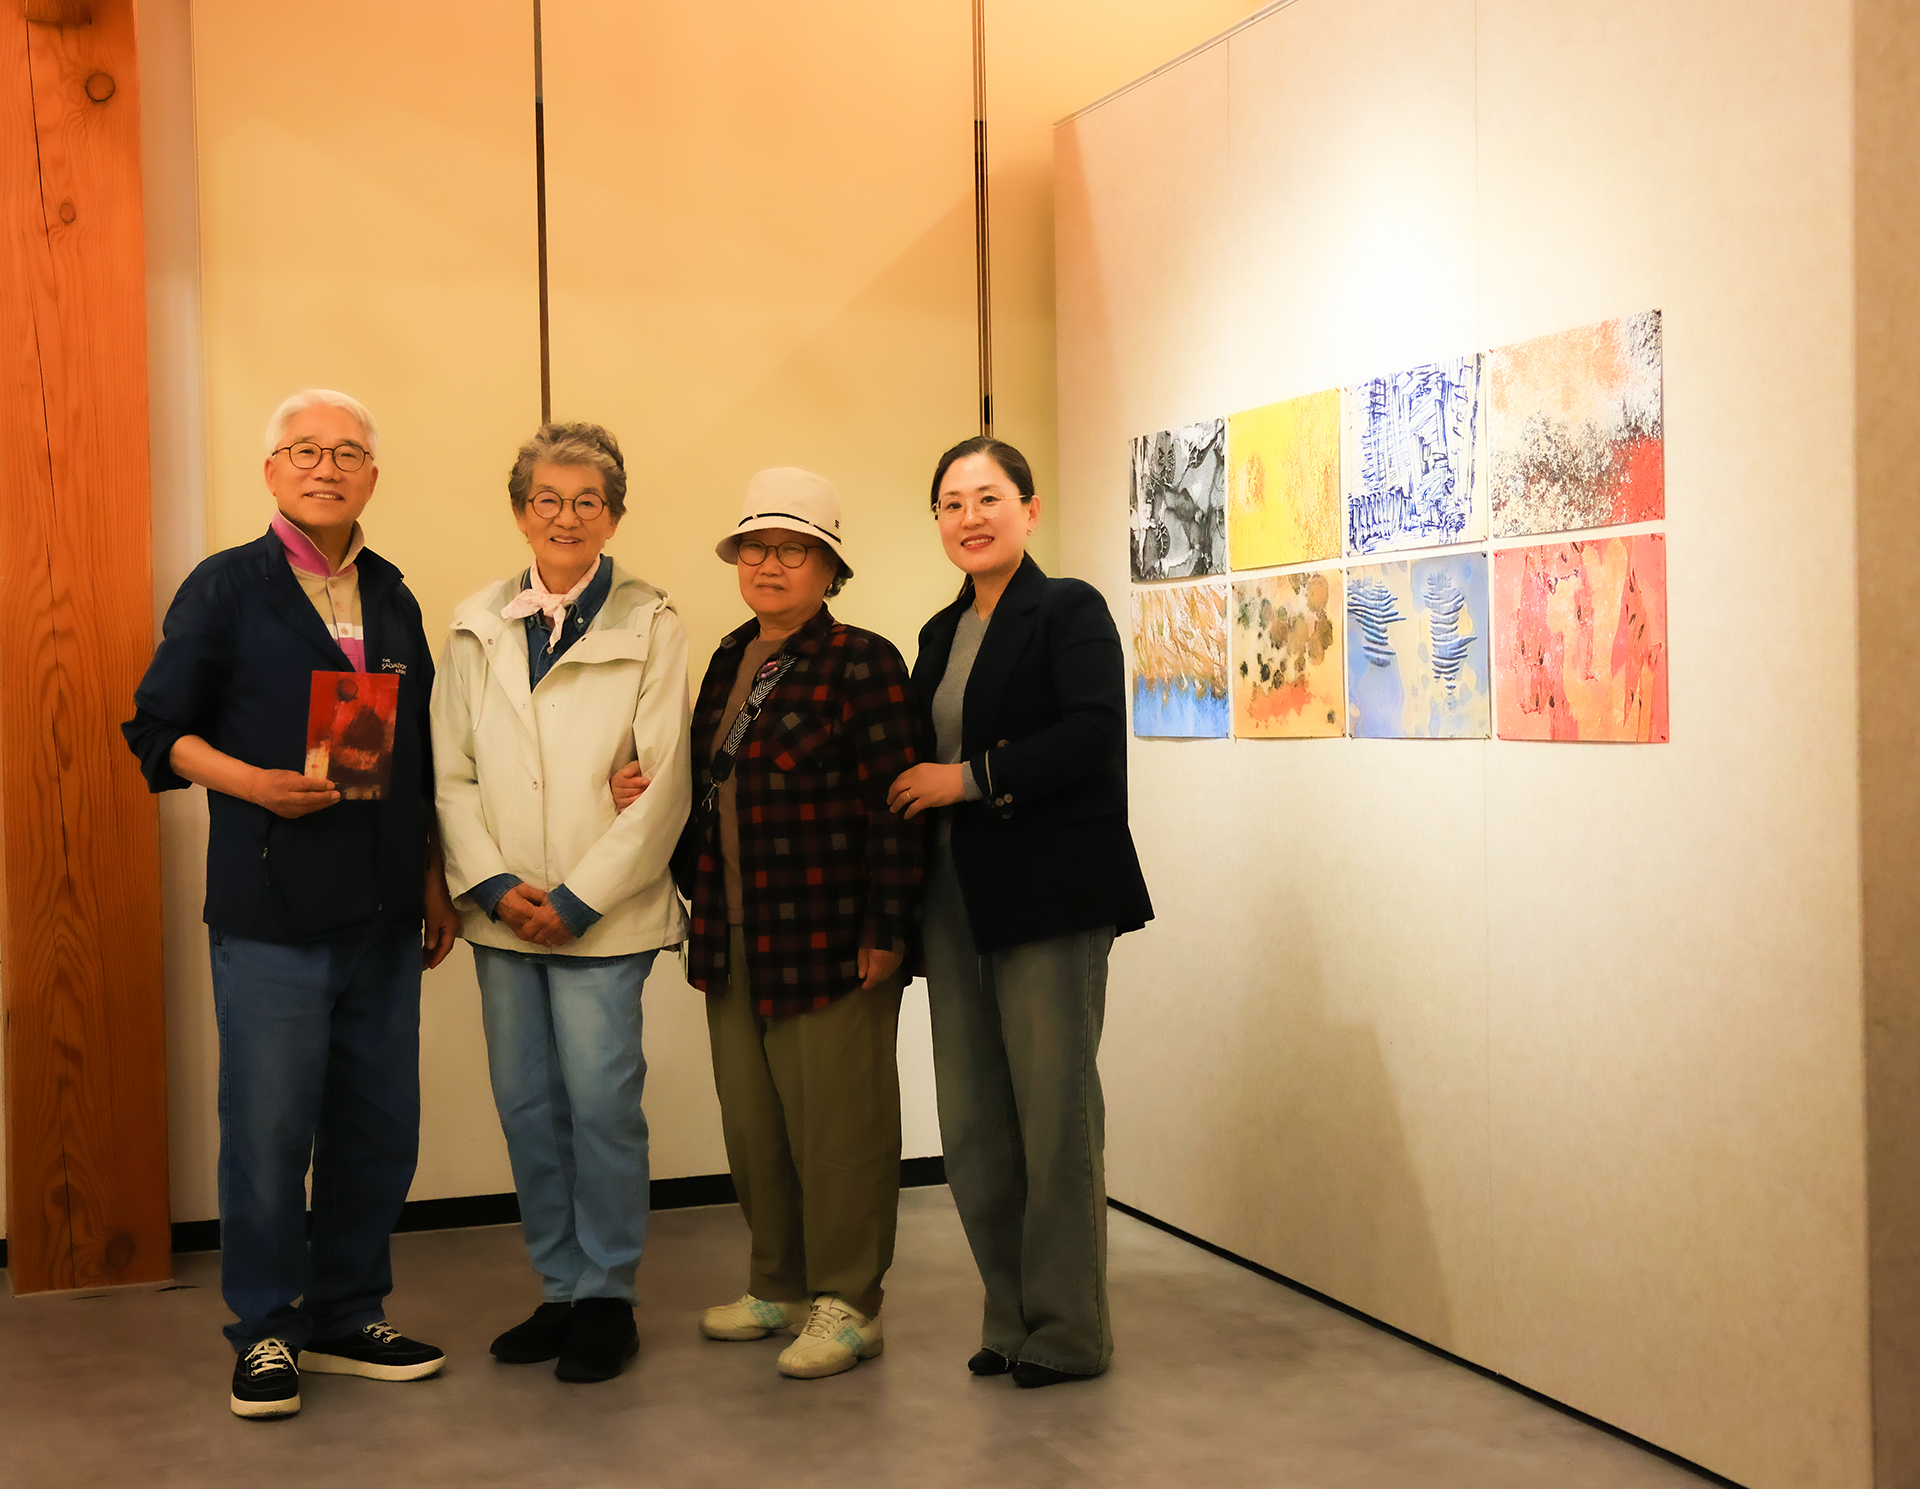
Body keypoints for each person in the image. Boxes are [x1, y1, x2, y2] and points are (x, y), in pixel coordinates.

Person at [123, 389, 459, 1420]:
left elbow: (415, 754)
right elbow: (155, 731)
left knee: (378, 1126)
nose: (327, 466)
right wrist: (253, 784)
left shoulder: (392, 594)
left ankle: (351, 1314)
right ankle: (267, 1328)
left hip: (383, 910)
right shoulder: (228, 586)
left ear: (372, 477)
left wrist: (432, 879)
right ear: (271, 471)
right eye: (305, 449)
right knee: (269, 1133)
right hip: (272, 909)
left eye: (348, 452)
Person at [624, 467, 923, 1379]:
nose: (769, 564)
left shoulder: (864, 660)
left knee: (841, 1132)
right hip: (731, 934)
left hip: (831, 937)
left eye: (793, 549)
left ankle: (850, 1301)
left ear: (829, 567)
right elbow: (702, 782)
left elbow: (896, 805)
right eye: (755, 547)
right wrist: (642, 788)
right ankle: (778, 1284)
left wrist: (888, 929)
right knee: (755, 1130)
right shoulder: (727, 656)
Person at [887, 436, 1153, 1389]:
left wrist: (967, 777)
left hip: (1050, 895)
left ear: (1030, 510)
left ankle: (1069, 1329)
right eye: (952, 502)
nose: (970, 516)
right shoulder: (937, 632)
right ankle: (1009, 1316)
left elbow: (1090, 734)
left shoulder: (1069, 609)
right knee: (972, 1122)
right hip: (953, 897)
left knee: (1053, 1113)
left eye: (989, 497)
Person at [431, 423, 691, 1384]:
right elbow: (450, 770)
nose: (567, 516)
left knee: (602, 1105)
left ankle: (608, 1294)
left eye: (588, 501)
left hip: (602, 915)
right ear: (520, 511)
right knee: (527, 1105)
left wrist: (578, 899)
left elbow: (664, 782)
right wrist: (496, 886)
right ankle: (559, 1286)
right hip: (505, 912)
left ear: (613, 516)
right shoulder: (475, 621)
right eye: (548, 499)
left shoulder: (652, 619)